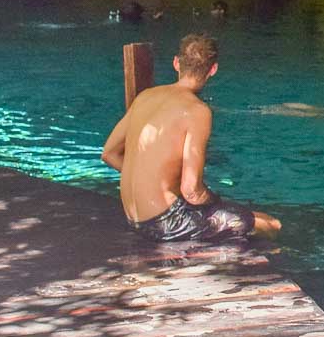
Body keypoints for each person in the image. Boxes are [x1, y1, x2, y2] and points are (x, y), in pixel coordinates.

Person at [100, 33, 281, 242]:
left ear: (176, 63)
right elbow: (192, 191)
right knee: (268, 224)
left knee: (245, 215)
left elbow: (109, 153)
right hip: (166, 224)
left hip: (133, 217)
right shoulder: (197, 110)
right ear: (213, 69)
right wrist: (216, 201)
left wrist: (147, 179)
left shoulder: (145, 97)